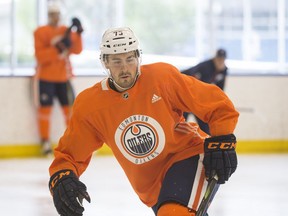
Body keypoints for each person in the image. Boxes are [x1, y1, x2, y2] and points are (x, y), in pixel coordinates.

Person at [48, 27, 239, 216]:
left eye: (129, 59)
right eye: (116, 61)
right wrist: (62, 176)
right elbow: (70, 154)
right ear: (105, 62)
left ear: (138, 57)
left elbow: (215, 103)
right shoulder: (90, 106)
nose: (124, 68)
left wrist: (223, 139)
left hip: (189, 157)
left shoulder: (162, 78)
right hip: (154, 188)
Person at [33, 2, 84, 155]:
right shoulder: (40, 32)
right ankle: (45, 142)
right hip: (46, 77)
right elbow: (40, 57)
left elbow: (77, 50)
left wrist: (79, 33)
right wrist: (57, 47)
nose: (56, 18)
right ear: (48, 15)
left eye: (58, 14)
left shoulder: (65, 31)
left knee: (70, 111)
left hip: (64, 77)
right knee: (45, 111)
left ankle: (73, 142)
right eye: (52, 14)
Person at [181, 49, 228, 135]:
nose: (220, 62)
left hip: (197, 99)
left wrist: (220, 104)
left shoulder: (223, 70)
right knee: (181, 123)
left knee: (205, 126)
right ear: (214, 58)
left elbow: (220, 90)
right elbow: (191, 82)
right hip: (185, 94)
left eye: (222, 60)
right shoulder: (205, 67)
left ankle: (208, 145)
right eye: (218, 59)